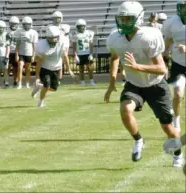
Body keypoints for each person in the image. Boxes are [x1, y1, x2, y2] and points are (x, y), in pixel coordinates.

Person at [104, 1, 183, 167]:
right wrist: (111, 83)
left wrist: (137, 66)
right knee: (125, 109)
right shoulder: (115, 38)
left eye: (128, 19)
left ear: (138, 19)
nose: (124, 22)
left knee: (167, 127)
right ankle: (138, 140)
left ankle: (177, 153)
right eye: (122, 18)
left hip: (156, 85)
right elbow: (114, 58)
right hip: (134, 84)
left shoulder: (148, 37)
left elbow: (162, 69)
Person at [31, 26, 74, 107]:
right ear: (48, 37)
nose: (54, 39)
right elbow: (39, 62)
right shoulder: (42, 45)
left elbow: (65, 56)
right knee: (47, 85)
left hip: (56, 68)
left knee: (54, 88)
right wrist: (37, 77)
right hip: (45, 68)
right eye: (52, 37)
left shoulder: (62, 42)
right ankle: (41, 102)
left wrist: (69, 69)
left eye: (56, 37)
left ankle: (40, 87)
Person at [162, 0, 186, 134]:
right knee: (177, 94)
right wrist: (163, 58)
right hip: (179, 64)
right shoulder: (172, 22)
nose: (185, 9)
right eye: (183, 7)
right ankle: (176, 121)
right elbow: (168, 41)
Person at [15, 16, 38, 89]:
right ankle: (19, 83)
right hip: (21, 53)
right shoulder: (19, 31)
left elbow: (34, 45)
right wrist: (17, 54)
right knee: (20, 67)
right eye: (25, 24)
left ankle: (27, 83)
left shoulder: (34, 32)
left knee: (28, 69)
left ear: (31, 24)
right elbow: (17, 44)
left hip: (29, 53)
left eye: (28, 24)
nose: (26, 25)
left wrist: (34, 55)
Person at [72, 19, 96, 86]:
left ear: (85, 26)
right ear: (76, 27)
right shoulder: (74, 35)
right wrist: (75, 55)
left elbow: (91, 44)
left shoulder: (89, 33)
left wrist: (91, 53)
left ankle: (91, 81)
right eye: (79, 26)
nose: (80, 28)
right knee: (81, 69)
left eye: (81, 26)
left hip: (87, 52)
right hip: (79, 53)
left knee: (90, 68)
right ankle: (82, 82)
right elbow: (74, 46)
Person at [7, 16, 20, 87]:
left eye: (15, 24)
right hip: (9, 52)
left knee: (16, 68)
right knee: (7, 67)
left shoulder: (19, 32)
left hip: (16, 52)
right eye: (12, 23)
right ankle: (6, 81)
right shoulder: (7, 32)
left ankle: (15, 81)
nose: (13, 25)